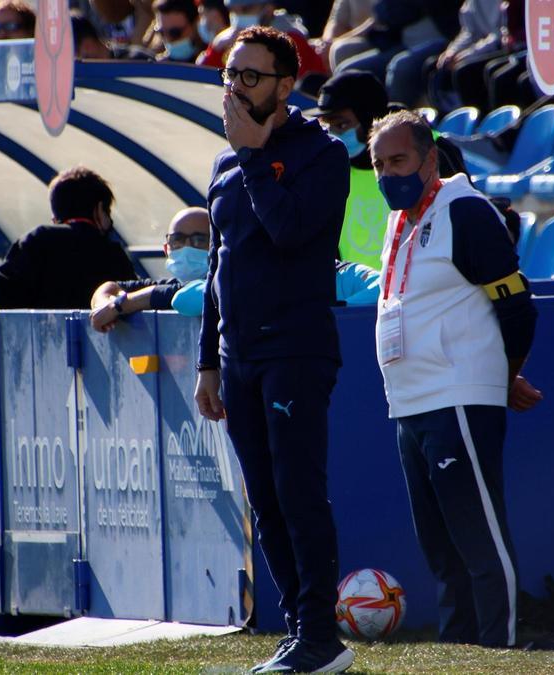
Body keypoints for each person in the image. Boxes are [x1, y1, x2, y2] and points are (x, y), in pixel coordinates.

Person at [194, 26, 353, 673]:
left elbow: (289, 233)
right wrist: (209, 357)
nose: (236, 87)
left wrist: (257, 155)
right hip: (238, 358)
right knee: (264, 496)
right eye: (231, 74)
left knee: (298, 490)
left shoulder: (323, 154)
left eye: (251, 77)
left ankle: (320, 635)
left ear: (287, 85)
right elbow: (217, 264)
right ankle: (301, 630)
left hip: (296, 347)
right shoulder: (225, 161)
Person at [368, 110, 542, 649]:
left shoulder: (464, 211)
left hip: (457, 397)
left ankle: (501, 650)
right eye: (378, 163)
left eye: (397, 160)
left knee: (479, 538)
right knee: (441, 549)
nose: (386, 173)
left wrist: (501, 374)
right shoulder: (400, 221)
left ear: (428, 159)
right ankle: (459, 650)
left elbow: (517, 309)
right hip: (409, 404)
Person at [90, 208, 381, 329]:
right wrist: (119, 303)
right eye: (177, 240)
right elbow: (184, 298)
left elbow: (381, 289)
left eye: (198, 239)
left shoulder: (343, 274)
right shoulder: (258, 280)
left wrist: (315, 311)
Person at [312, 70, 467, 268]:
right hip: (365, 295)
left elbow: (463, 223)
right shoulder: (330, 170)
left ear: (368, 118)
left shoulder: (432, 148)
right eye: (328, 126)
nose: (334, 135)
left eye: (342, 124)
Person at [0, 166, 137, 309]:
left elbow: (1, 290)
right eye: (108, 212)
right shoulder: (113, 254)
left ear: (56, 216)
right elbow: (132, 300)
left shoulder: (38, 240)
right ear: (99, 209)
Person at [90, 207, 211, 329]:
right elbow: (112, 286)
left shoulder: (222, 284)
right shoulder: (172, 284)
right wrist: (103, 304)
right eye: (177, 240)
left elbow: (178, 295)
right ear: (166, 249)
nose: (187, 248)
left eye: (199, 240)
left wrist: (118, 306)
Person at [197, 1, 328, 85]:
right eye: (233, 11)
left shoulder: (291, 38)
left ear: (268, 8)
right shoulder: (227, 41)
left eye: (246, 9)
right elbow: (201, 80)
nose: (239, 16)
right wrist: (215, 49)